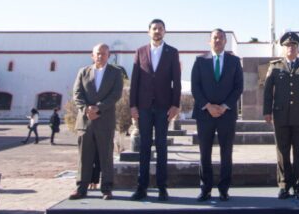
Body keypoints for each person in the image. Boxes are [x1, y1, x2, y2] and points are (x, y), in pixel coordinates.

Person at [262, 32, 299, 200]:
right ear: (283, 48)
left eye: (294, 45)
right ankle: (284, 185)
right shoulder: (275, 66)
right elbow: (268, 91)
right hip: (280, 115)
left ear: (298, 48)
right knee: (282, 151)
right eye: (288, 45)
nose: (291, 48)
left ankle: (298, 186)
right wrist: (267, 111)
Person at [129, 19, 182, 201]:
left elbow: (176, 81)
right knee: (144, 147)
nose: (157, 31)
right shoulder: (140, 51)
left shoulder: (172, 52)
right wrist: (132, 105)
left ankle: (162, 187)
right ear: (148, 32)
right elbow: (135, 80)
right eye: (154, 28)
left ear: (165, 31)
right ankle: (141, 187)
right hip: (143, 107)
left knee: (161, 146)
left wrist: (175, 105)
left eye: (160, 28)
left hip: (163, 108)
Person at [191, 28, 244, 202]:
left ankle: (224, 189)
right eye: (215, 37)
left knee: (226, 153)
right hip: (205, 114)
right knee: (204, 153)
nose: (218, 40)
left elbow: (238, 87)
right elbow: (195, 87)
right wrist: (208, 106)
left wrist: (224, 106)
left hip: (226, 114)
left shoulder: (234, 61)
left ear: (225, 41)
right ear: (209, 41)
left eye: (221, 37)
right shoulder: (200, 61)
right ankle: (205, 189)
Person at [68, 43, 124, 200]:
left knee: (106, 156)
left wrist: (98, 108)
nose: (100, 56)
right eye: (98, 53)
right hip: (85, 121)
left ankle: (106, 188)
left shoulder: (115, 73)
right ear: (92, 55)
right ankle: (81, 188)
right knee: (84, 157)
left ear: (109, 56)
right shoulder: (83, 72)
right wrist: (86, 109)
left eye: (104, 53)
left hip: (105, 121)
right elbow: (77, 93)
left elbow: (116, 94)